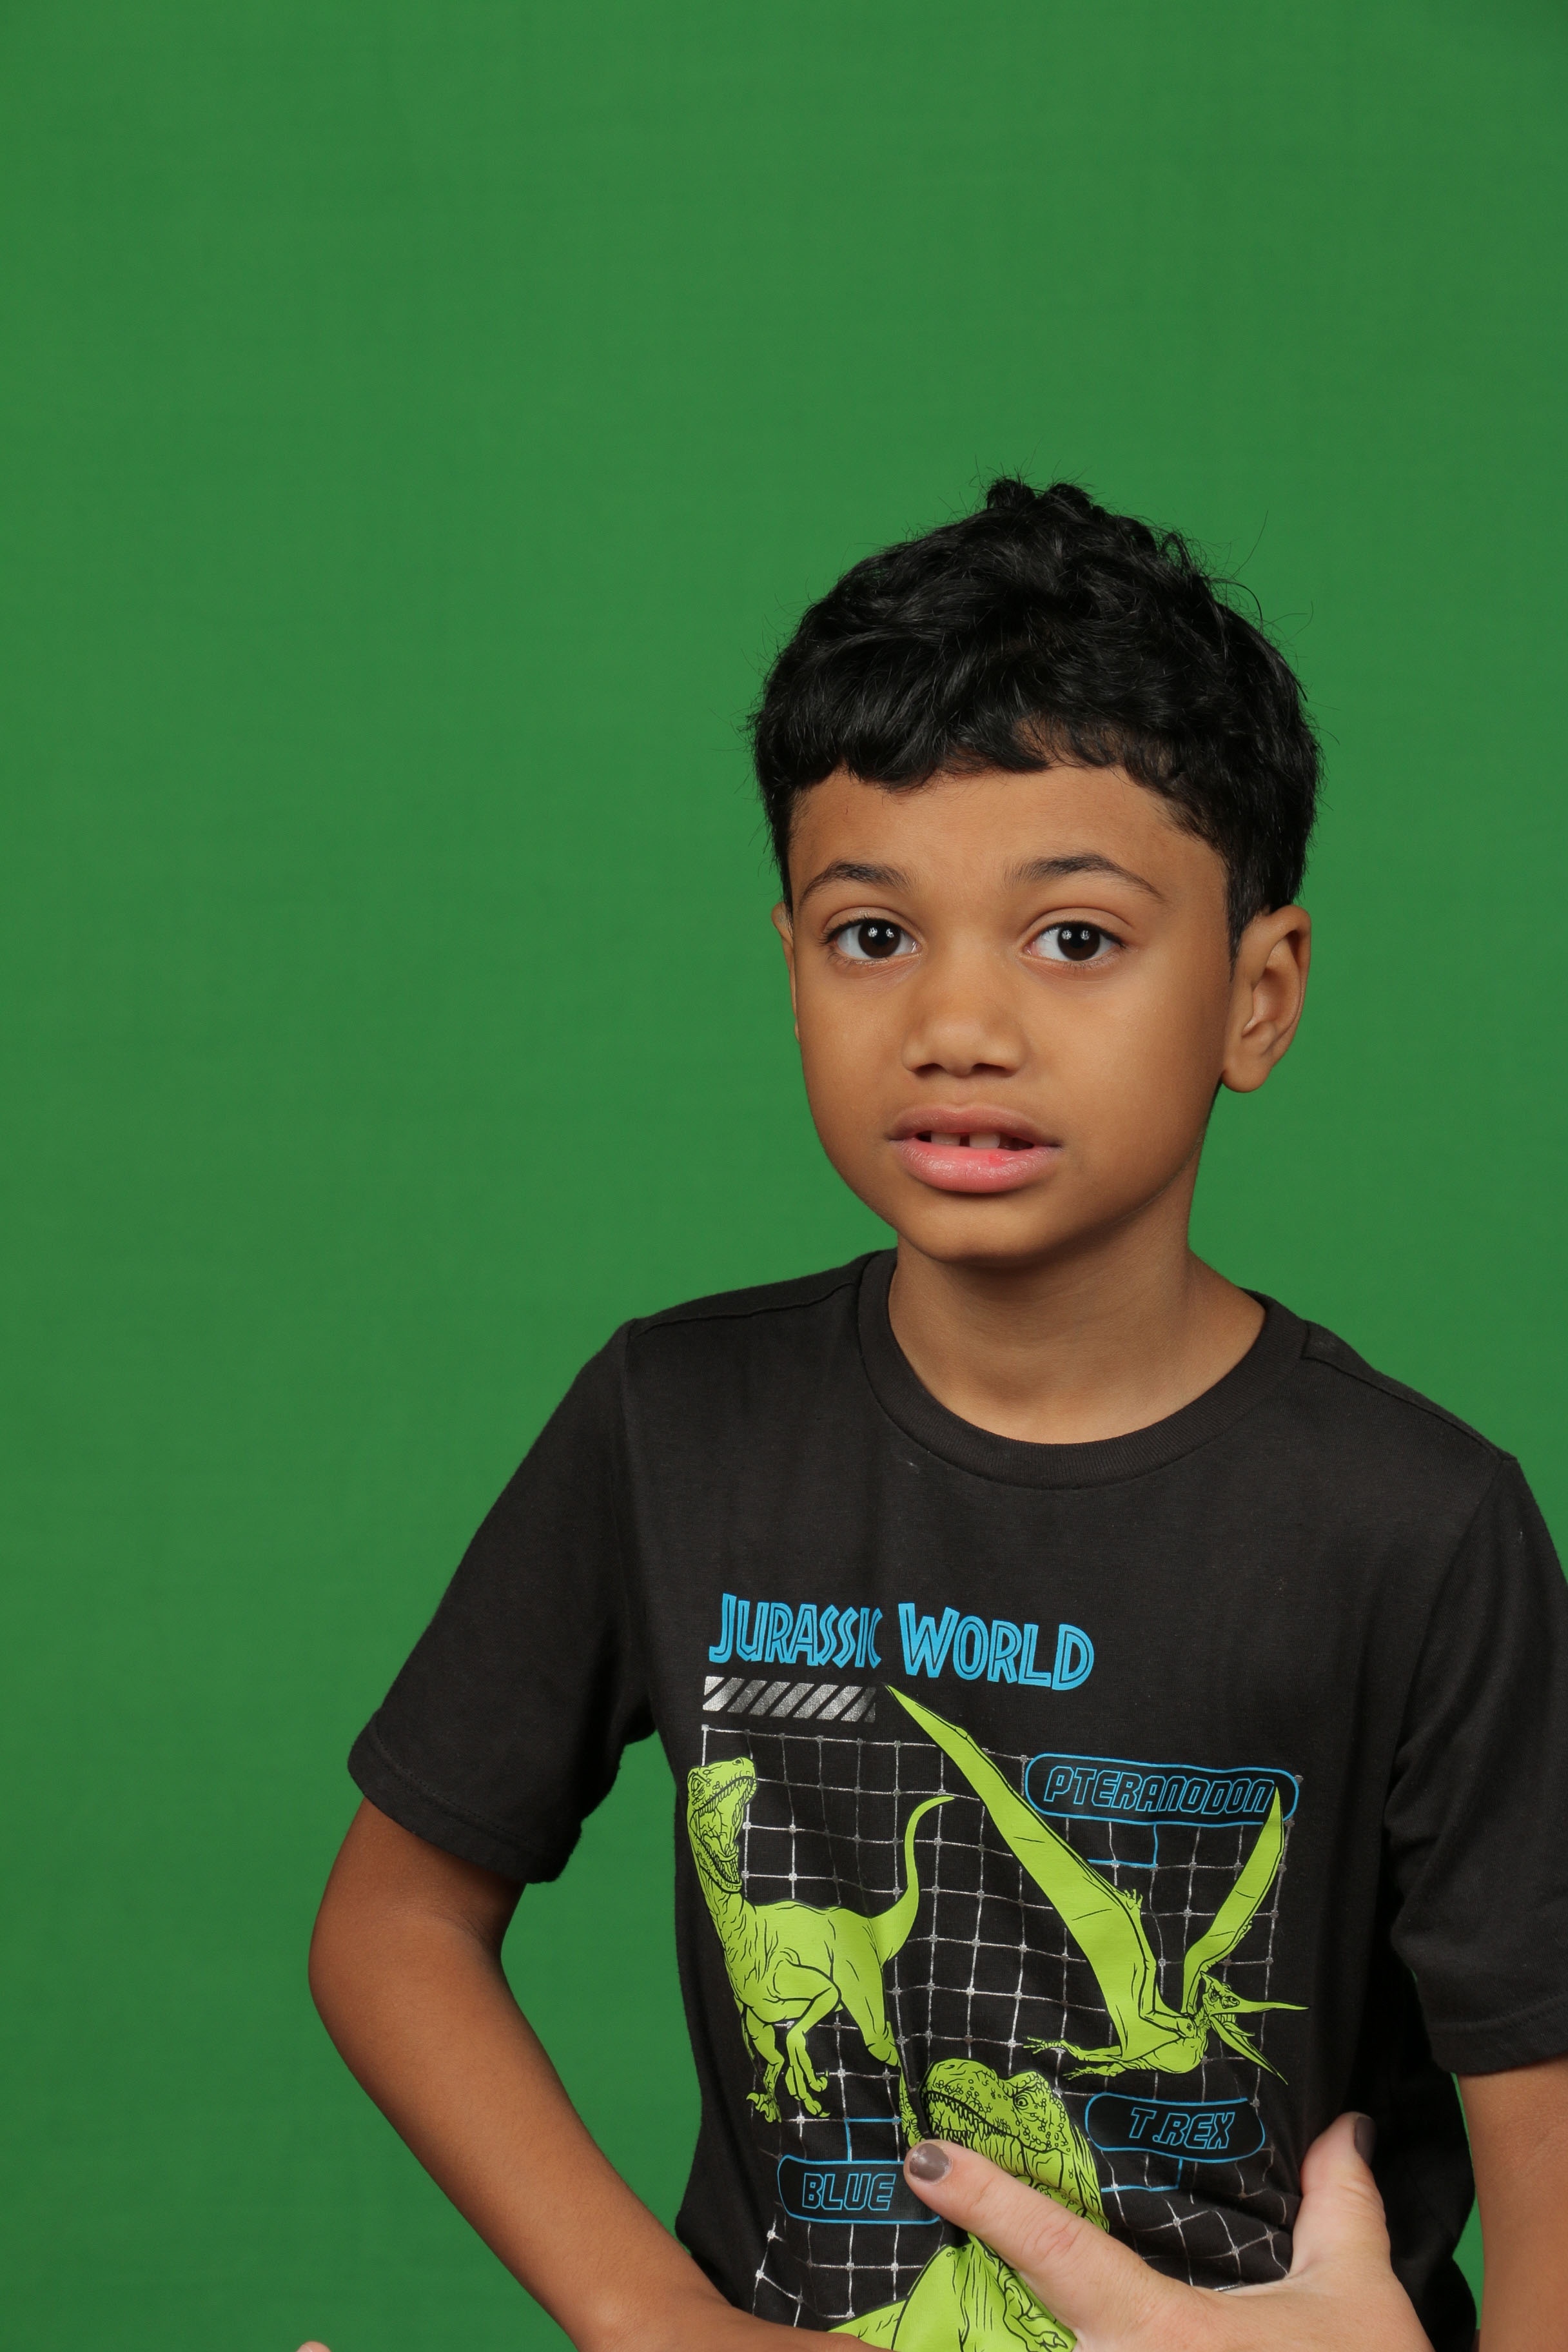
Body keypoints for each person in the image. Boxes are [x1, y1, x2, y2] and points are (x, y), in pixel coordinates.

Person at [308, 480, 1568, 2351]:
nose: (958, 1022)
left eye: (1075, 939)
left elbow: (1548, 2145)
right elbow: (391, 1925)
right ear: (790, 962)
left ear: (1259, 995)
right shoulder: (674, 1420)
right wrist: (655, 2319)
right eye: (873, 935)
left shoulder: (1421, 1528)